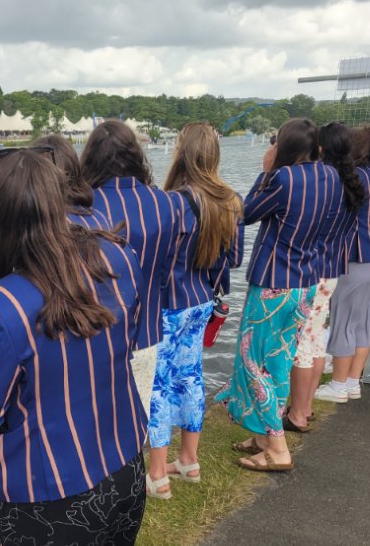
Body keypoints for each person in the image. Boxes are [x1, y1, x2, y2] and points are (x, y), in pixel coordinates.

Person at [0, 149, 147, 544]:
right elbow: (126, 343)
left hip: (50, 498)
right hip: (125, 466)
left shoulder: (3, 307)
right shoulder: (119, 255)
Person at [215, 118, 339, 472]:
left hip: (273, 284)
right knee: (280, 363)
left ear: (283, 147)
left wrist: (266, 172)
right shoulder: (330, 175)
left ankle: (278, 448)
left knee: (254, 364)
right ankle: (262, 437)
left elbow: (247, 212)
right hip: (306, 283)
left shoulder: (283, 179)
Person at [146, 123, 244, 499]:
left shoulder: (171, 203)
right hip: (202, 300)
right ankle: (189, 460)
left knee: (159, 385)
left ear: (181, 153)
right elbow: (234, 259)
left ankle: (158, 474)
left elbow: (155, 259)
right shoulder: (231, 201)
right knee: (190, 378)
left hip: (169, 305)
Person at [80, 120, 177, 418]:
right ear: (136, 154)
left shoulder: (84, 207)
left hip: (93, 340)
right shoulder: (165, 203)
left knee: (94, 426)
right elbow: (167, 271)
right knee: (137, 423)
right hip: (146, 333)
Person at [316, 125, 370, 402]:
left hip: (359, 259)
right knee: (366, 321)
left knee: (344, 322)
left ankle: (338, 386)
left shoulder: (349, 178)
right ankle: (353, 382)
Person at [285, 122, 363, 428]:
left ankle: (297, 414)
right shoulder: (349, 183)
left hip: (313, 270)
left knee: (303, 344)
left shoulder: (323, 183)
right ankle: (305, 407)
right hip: (332, 269)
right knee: (315, 338)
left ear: (320, 148)